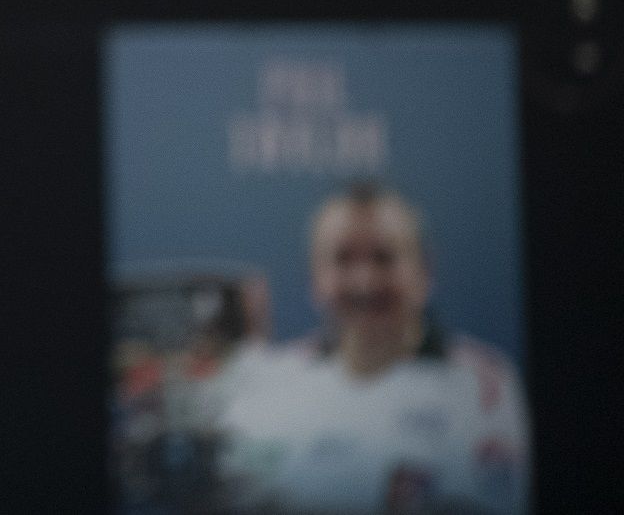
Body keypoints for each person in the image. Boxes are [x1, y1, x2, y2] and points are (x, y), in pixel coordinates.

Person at [216, 181, 529, 514]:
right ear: (316, 276)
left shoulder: (480, 384)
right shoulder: (269, 379)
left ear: (424, 271)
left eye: (384, 258)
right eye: (343, 259)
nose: (364, 281)